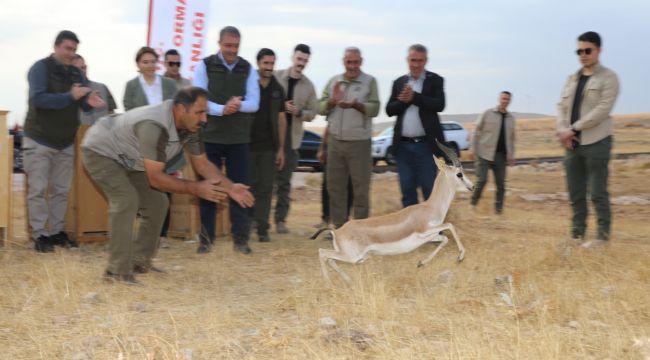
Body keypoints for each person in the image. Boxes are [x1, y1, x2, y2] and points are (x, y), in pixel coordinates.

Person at [81, 87, 254, 284]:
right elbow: (156, 178)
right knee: (126, 200)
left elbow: (203, 164)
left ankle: (139, 262)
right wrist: (196, 188)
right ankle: (116, 272)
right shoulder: (154, 126)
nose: (204, 119)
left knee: (158, 203)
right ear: (181, 109)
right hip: (100, 150)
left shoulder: (191, 126)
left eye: (205, 112)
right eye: (199, 112)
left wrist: (231, 188)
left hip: (130, 157)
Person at [23, 30, 106, 252]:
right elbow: (39, 99)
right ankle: (40, 235)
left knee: (61, 191)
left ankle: (56, 232)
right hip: (39, 139)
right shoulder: (40, 68)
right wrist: (71, 96)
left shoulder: (76, 74)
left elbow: (82, 103)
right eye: (68, 49)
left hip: (65, 142)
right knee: (38, 190)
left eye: (74, 50)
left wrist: (91, 101)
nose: (71, 54)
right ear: (56, 47)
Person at [192, 26, 260, 254]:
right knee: (210, 186)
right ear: (219, 44)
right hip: (210, 135)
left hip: (239, 138)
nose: (232, 50)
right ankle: (205, 240)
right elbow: (199, 99)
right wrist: (223, 109)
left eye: (236, 46)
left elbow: (254, 102)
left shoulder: (247, 68)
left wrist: (238, 105)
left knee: (239, 187)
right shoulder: (205, 65)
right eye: (228, 45)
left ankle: (241, 240)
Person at [556, 31, 619, 248]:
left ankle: (602, 238)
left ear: (598, 51)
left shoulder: (609, 78)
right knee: (576, 193)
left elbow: (602, 109)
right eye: (579, 51)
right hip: (572, 145)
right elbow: (561, 107)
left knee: (598, 192)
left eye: (587, 50)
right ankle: (577, 236)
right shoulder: (572, 79)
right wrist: (562, 130)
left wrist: (573, 129)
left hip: (597, 143)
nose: (582, 55)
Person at [318, 47, 380, 228]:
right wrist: (332, 101)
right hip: (335, 142)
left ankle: (361, 231)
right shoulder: (333, 82)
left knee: (361, 189)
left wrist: (357, 105)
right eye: (349, 62)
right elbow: (320, 107)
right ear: (343, 62)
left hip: (360, 143)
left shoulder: (370, 82)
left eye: (356, 62)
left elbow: (375, 108)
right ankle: (339, 229)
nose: (352, 66)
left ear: (361, 62)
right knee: (335, 188)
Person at [385, 44, 446, 208]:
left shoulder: (435, 80)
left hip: (426, 146)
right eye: (413, 60)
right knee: (407, 191)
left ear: (426, 61)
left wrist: (414, 97)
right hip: (403, 147)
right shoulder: (399, 82)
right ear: (407, 60)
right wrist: (404, 101)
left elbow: (439, 105)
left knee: (429, 191)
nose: (416, 64)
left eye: (420, 60)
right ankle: (412, 232)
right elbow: (389, 110)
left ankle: (432, 232)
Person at [273, 44, 318, 234]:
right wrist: (279, 105)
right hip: (270, 138)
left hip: (292, 141)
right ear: (292, 57)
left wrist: (299, 111)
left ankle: (280, 221)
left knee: (284, 183)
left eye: (305, 61)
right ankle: (255, 221)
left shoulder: (309, 86)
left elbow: (313, 112)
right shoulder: (276, 76)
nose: (301, 63)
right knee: (263, 181)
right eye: (299, 59)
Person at [249, 48, 287, 242]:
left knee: (265, 188)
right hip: (246, 146)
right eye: (266, 64)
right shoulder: (248, 84)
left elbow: (281, 119)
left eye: (272, 64)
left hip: (269, 148)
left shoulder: (277, 89)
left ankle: (262, 229)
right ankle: (245, 227)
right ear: (258, 63)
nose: (269, 68)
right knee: (247, 187)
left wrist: (281, 148)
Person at [470, 91, 516, 214]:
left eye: (507, 99)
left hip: (501, 156)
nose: (505, 101)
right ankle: (473, 203)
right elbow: (476, 130)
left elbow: (512, 139)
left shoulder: (511, 119)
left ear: (509, 101)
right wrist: (472, 148)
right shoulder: (487, 113)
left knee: (501, 185)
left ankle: (498, 211)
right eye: (503, 98)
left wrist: (511, 155)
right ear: (499, 99)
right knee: (482, 180)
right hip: (484, 152)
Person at [123, 46, 177, 111]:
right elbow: (128, 111)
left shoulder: (170, 84)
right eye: (145, 62)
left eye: (153, 62)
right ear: (138, 64)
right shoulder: (131, 86)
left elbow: (176, 108)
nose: (150, 65)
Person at [72, 54, 117, 125]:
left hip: (103, 133)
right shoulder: (67, 93)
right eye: (77, 69)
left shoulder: (102, 87)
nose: (81, 72)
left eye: (83, 68)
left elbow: (112, 113)